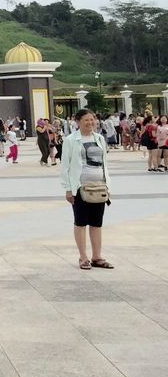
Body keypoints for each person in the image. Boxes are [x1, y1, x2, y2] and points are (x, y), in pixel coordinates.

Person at [60, 109, 114, 270]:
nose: (90, 123)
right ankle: (83, 257)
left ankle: (97, 256)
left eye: (92, 119)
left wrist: (107, 184)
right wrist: (68, 189)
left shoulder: (99, 138)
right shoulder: (71, 140)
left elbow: (104, 163)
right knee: (81, 222)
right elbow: (65, 166)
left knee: (97, 223)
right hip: (80, 187)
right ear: (78, 122)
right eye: (86, 120)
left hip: (99, 186)